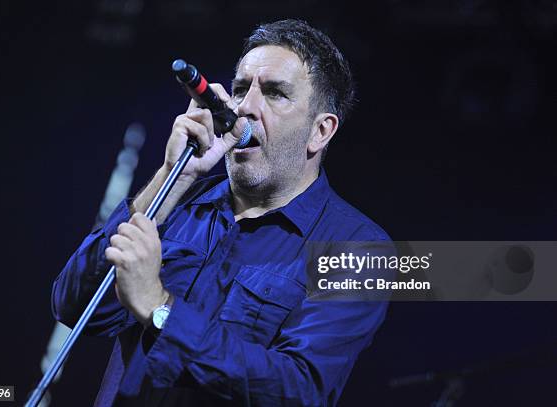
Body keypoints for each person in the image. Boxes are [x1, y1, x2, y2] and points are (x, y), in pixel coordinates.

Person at [53, 19, 391, 406]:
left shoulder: (359, 250)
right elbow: (72, 302)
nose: (245, 107)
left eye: (275, 94)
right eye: (241, 89)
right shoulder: (176, 202)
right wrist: (171, 177)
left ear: (321, 131)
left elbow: (296, 389)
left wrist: (160, 309)